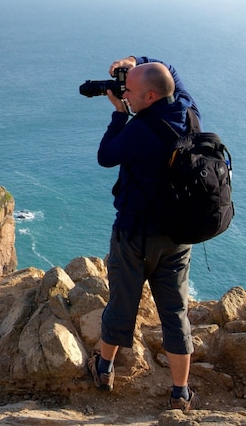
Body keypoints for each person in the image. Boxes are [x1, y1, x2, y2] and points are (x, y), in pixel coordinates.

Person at [87, 55, 201, 412]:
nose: (126, 93)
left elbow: (106, 156)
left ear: (150, 97)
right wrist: (139, 61)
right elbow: (172, 73)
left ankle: (104, 369)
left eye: (132, 91)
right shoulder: (188, 110)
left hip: (135, 234)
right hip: (179, 236)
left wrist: (119, 113)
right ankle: (180, 392)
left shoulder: (140, 129)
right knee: (175, 311)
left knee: (122, 301)